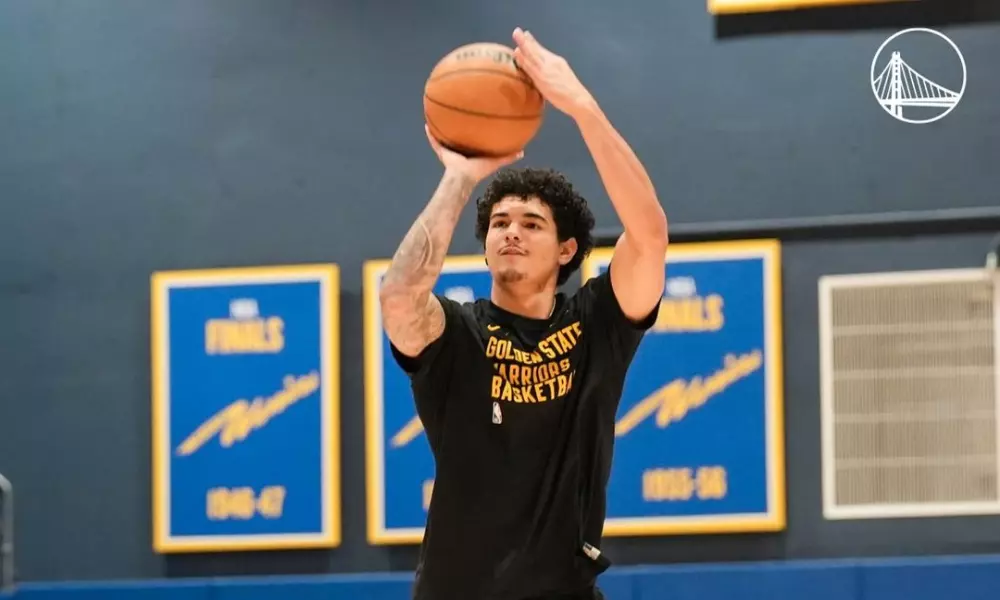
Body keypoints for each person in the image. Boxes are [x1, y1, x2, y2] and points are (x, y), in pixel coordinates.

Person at [379, 27, 668, 600]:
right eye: (499, 225)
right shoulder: (458, 335)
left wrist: (583, 107)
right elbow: (399, 296)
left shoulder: (596, 326)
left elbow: (650, 234)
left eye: (531, 224)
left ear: (567, 250)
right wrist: (459, 177)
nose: (511, 232)